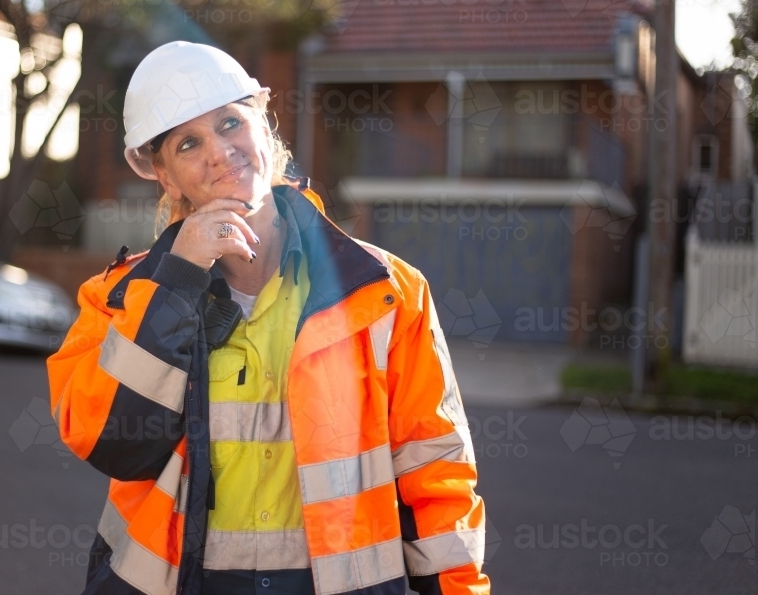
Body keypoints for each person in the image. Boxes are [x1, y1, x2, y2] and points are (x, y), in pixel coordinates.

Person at [47, 41, 490, 595]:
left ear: (263, 125)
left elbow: (436, 470)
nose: (220, 152)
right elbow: (116, 442)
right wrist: (177, 281)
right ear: (164, 174)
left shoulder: (387, 293)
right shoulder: (117, 298)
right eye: (189, 143)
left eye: (231, 122)